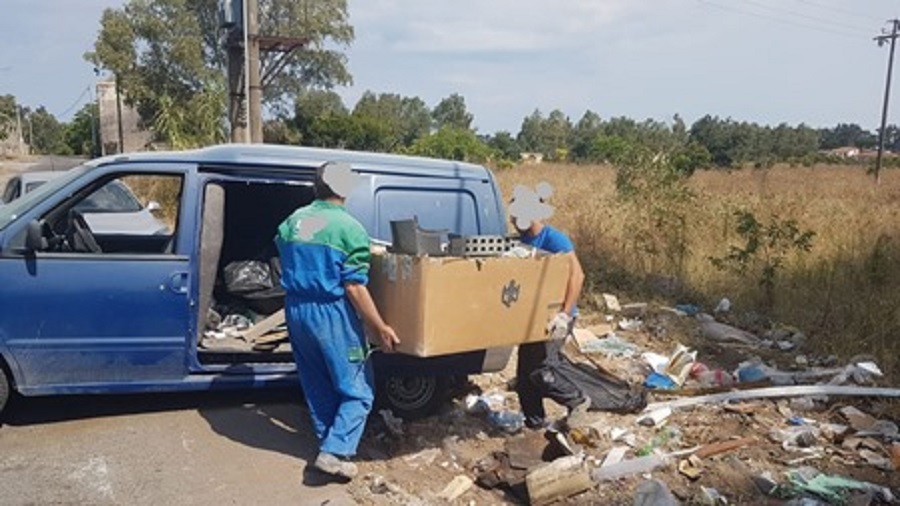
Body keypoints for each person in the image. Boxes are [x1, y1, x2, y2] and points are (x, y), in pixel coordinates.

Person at [275, 161, 400, 480]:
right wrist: (379, 326)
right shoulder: (349, 228)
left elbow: (283, 252)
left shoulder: (293, 220)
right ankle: (334, 452)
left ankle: (327, 444)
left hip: (296, 309)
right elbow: (354, 287)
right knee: (358, 390)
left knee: (317, 382)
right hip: (331, 313)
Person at [508, 183, 590, 430]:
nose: (513, 221)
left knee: (540, 371)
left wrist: (565, 314)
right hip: (533, 317)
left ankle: (576, 399)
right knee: (525, 378)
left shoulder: (554, 239)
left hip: (556, 317)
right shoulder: (522, 241)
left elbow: (577, 275)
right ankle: (535, 424)